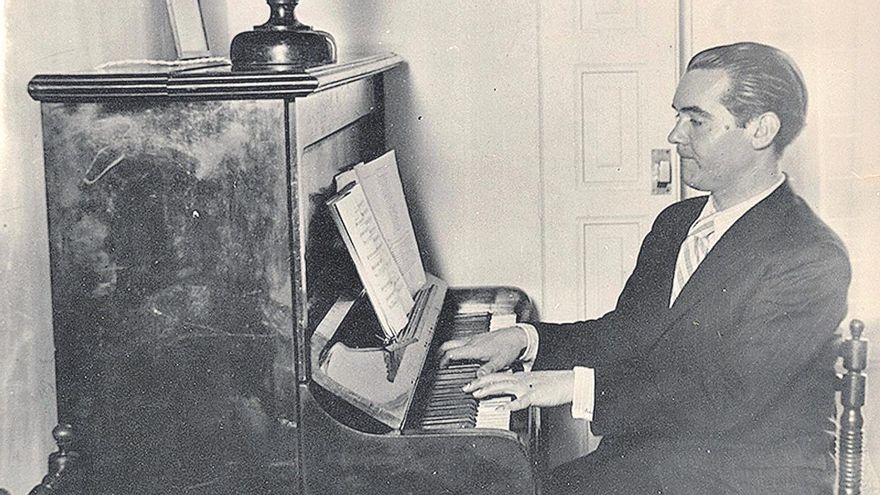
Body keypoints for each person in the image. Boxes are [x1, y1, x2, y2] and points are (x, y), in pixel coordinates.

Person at [440, 42, 851, 494]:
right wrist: (527, 339)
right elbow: (630, 331)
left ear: (760, 130)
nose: (675, 136)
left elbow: (726, 394)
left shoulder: (810, 256)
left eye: (696, 120)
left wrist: (570, 386)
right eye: (678, 116)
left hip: (747, 476)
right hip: (664, 453)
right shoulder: (676, 222)